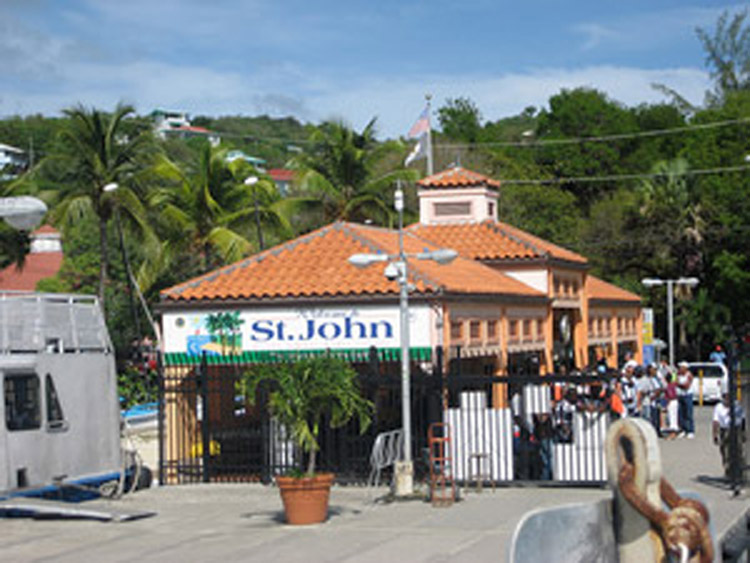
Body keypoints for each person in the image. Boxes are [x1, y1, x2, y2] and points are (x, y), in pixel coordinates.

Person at [712, 390, 746, 478]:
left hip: (736, 429)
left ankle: (740, 472)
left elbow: (742, 420)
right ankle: (728, 472)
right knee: (725, 452)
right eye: (725, 397)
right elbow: (716, 421)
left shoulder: (737, 406)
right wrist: (715, 435)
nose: (727, 400)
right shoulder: (719, 407)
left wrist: (743, 433)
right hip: (724, 429)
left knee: (739, 451)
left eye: (729, 397)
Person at [675, 361, 695, 438]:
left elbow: (686, 386)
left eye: (681, 367)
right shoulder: (678, 374)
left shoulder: (689, 375)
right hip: (680, 395)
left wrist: (679, 384)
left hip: (687, 395)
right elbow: (674, 382)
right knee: (681, 414)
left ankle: (690, 430)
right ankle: (683, 429)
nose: (680, 369)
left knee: (688, 413)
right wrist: (678, 384)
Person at [663, 373, 680, 440]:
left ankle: (672, 434)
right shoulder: (673, 385)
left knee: (671, 417)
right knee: (674, 417)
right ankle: (674, 432)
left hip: (671, 402)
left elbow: (670, 396)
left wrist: (666, 406)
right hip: (675, 401)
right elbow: (677, 381)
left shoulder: (669, 386)